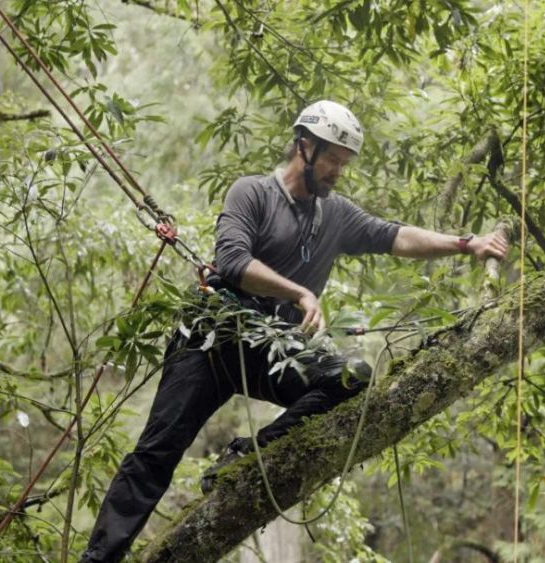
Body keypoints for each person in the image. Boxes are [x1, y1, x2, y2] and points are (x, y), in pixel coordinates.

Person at [80, 100, 509, 562]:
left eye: (344, 164)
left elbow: (396, 236)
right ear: (303, 147)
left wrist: (468, 244)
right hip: (212, 340)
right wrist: (301, 294)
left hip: (272, 348)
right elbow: (233, 263)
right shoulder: (252, 194)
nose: (338, 173)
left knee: (350, 378)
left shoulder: (335, 214)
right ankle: (99, 559)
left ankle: (248, 458)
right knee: (157, 453)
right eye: (332, 160)